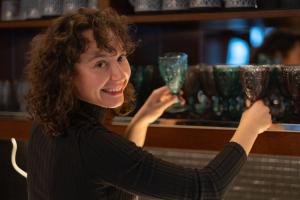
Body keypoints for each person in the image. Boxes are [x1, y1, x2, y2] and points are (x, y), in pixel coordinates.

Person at [25, 8, 272, 200]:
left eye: (121, 57)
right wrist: (250, 127)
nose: (120, 74)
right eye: (100, 63)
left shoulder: (48, 123)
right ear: (64, 74)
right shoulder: (92, 144)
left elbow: (114, 171)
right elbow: (206, 188)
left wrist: (142, 119)